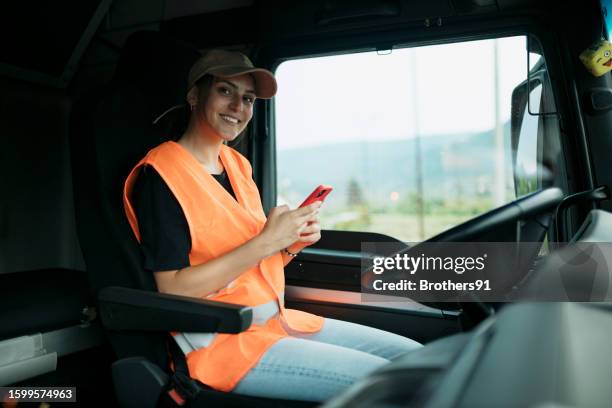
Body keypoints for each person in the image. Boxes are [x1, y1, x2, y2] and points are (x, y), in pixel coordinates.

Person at [123, 49, 422, 403]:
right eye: (225, 91)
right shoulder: (161, 175)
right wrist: (267, 242)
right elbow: (171, 291)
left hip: (275, 324)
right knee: (402, 388)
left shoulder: (237, 165)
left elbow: (248, 266)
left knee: (419, 360)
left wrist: (289, 243)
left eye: (248, 98)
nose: (238, 106)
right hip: (224, 344)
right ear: (194, 95)